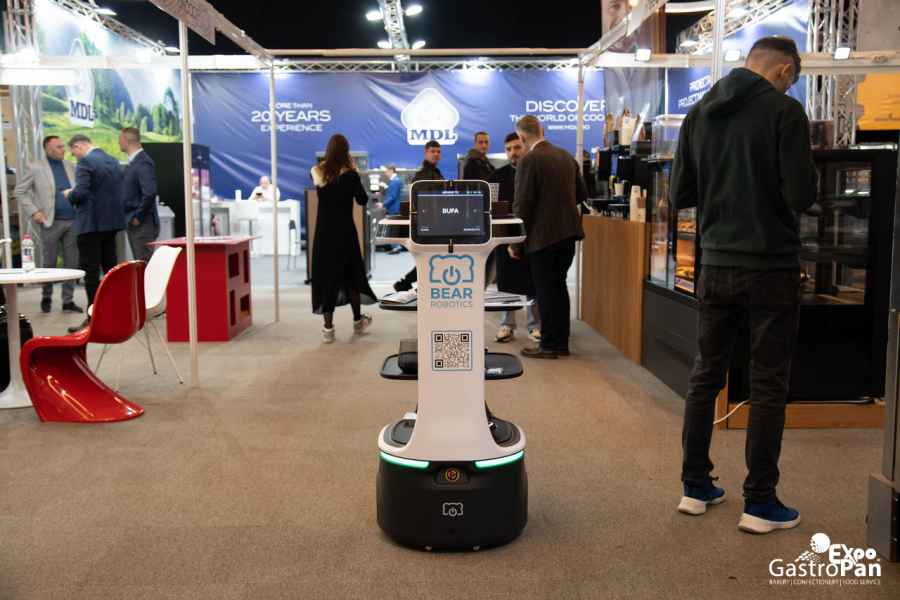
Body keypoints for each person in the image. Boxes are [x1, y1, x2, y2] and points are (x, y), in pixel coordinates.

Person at [671, 37, 816, 534]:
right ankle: (760, 502)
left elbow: (680, 192)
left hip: (714, 263)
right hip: (772, 266)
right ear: (783, 69)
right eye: (791, 79)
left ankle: (695, 486)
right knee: (768, 382)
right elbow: (801, 194)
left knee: (705, 374)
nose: (789, 87)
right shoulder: (785, 112)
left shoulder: (699, 113)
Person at [511, 115, 586, 359]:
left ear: (522, 137)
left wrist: (515, 243)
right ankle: (560, 343)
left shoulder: (529, 160)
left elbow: (523, 205)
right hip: (568, 234)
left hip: (543, 237)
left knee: (545, 291)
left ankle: (549, 345)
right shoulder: (566, 156)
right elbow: (581, 194)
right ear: (541, 130)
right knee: (559, 288)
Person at [310, 134, 376, 343]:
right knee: (351, 276)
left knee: (327, 277)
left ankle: (328, 329)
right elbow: (362, 199)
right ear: (346, 152)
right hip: (346, 233)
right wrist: (354, 172)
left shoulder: (318, 172)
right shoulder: (350, 175)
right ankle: (357, 320)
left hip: (324, 234)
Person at [64, 134, 126, 332]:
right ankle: (114, 315)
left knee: (90, 273)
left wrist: (69, 194)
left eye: (73, 152)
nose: (74, 156)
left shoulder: (85, 162)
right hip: (111, 224)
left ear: (78, 146)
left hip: (90, 224)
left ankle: (94, 319)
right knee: (110, 271)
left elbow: (81, 192)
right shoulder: (113, 161)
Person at [14, 135, 82, 314]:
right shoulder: (35, 167)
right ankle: (47, 297)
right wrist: (34, 211)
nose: (63, 149)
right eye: (59, 147)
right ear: (48, 149)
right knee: (49, 262)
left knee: (71, 263)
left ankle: (68, 301)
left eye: (62, 146)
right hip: (50, 222)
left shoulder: (70, 166)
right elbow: (20, 191)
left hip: (72, 221)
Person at [490, 132, 539, 343]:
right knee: (506, 282)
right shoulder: (496, 176)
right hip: (504, 237)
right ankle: (507, 324)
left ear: (525, 146)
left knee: (533, 281)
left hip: (533, 235)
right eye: (509, 149)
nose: (513, 153)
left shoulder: (536, 172)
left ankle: (535, 325)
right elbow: (489, 208)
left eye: (517, 147)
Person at [393, 140, 443, 292]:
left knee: (429, 259)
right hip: (427, 224)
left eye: (438, 151)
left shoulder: (436, 173)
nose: (436, 154)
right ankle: (408, 283)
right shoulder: (422, 175)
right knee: (428, 259)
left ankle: (409, 284)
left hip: (435, 223)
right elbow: (420, 203)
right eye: (432, 151)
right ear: (426, 153)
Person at [119, 127, 159, 262]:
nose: (118, 143)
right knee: (140, 263)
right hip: (136, 224)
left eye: (120, 139)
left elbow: (150, 192)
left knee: (144, 264)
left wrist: (138, 216)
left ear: (126, 140)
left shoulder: (143, 162)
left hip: (142, 225)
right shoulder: (135, 162)